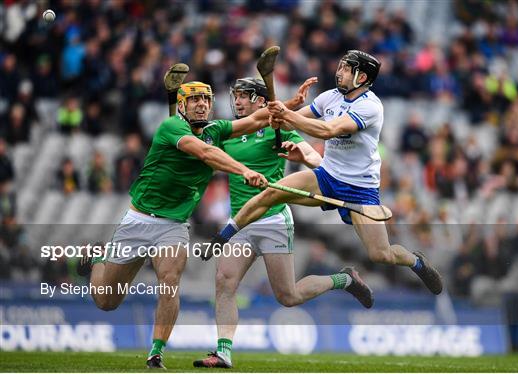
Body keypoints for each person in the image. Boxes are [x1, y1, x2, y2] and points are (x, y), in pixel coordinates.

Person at [211, 50, 443, 306]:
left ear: (361, 76)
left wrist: (287, 115)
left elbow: (328, 129)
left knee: (382, 254)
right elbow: (292, 124)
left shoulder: (370, 106)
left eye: (346, 68)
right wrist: (277, 116)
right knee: (271, 193)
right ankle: (225, 234)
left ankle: (416, 261)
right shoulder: (329, 97)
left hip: (360, 188)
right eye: (340, 66)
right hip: (328, 176)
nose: (338, 71)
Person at [77, 80, 276, 369]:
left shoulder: (215, 130)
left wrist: (293, 107)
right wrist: (245, 170)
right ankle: (97, 257)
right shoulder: (171, 128)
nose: (202, 104)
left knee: (169, 283)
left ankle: (155, 352)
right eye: (194, 100)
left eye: (206, 100)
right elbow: (206, 154)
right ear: (181, 106)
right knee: (106, 301)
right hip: (139, 219)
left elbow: (258, 118)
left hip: (174, 225)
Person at [194, 78, 373, 369]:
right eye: (235, 96)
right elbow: (198, 150)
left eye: (244, 96)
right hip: (240, 222)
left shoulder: (277, 129)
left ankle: (345, 279)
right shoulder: (227, 130)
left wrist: (303, 156)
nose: (237, 101)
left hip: (273, 220)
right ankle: (223, 352)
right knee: (224, 282)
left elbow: (318, 162)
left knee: (288, 296)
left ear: (261, 101)